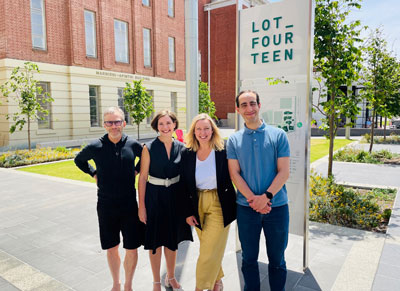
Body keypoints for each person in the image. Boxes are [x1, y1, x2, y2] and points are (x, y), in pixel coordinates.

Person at [74, 107, 144, 291]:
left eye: (117, 121)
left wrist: (136, 170)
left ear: (124, 123)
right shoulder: (95, 146)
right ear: (104, 125)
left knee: (132, 247)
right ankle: (116, 283)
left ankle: (128, 284)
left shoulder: (132, 144)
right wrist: (93, 173)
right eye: (110, 122)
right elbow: (79, 160)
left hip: (129, 204)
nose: (114, 126)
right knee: (111, 247)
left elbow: (146, 157)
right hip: (106, 205)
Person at [227, 90, 290, 291]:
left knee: (277, 260)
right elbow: (235, 174)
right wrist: (254, 200)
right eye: (244, 105)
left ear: (259, 106)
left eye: (252, 103)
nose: (249, 108)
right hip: (246, 209)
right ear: (238, 109)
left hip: (277, 208)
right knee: (249, 259)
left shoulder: (278, 135)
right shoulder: (233, 140)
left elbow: (284, 172)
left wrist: (266, 197)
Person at [180, 113, 236, 291]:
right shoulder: (187, 153)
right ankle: (216, 281)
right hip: (197, 203)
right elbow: (183, 185)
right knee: (209, 247)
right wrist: (187, 212)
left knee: (207, 251)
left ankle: (200, 287)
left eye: (206, 128)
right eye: (198, 129)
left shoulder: (223, 149)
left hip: (219, 202)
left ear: (213, 130)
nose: (202, 132)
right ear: (193, 131)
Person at [138, 110, 192, 291]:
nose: (165, 127)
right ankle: (155, 281)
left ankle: (171, 277)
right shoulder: (148, 148)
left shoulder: (182, 148)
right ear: (156, 126)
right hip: (154, 197)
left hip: (175, 198)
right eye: (161, 124)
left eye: (168, 123)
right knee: (155, 243)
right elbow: (142, 178)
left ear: (174, 124)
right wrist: (142, 207)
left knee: (172, 241)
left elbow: (186, 178)